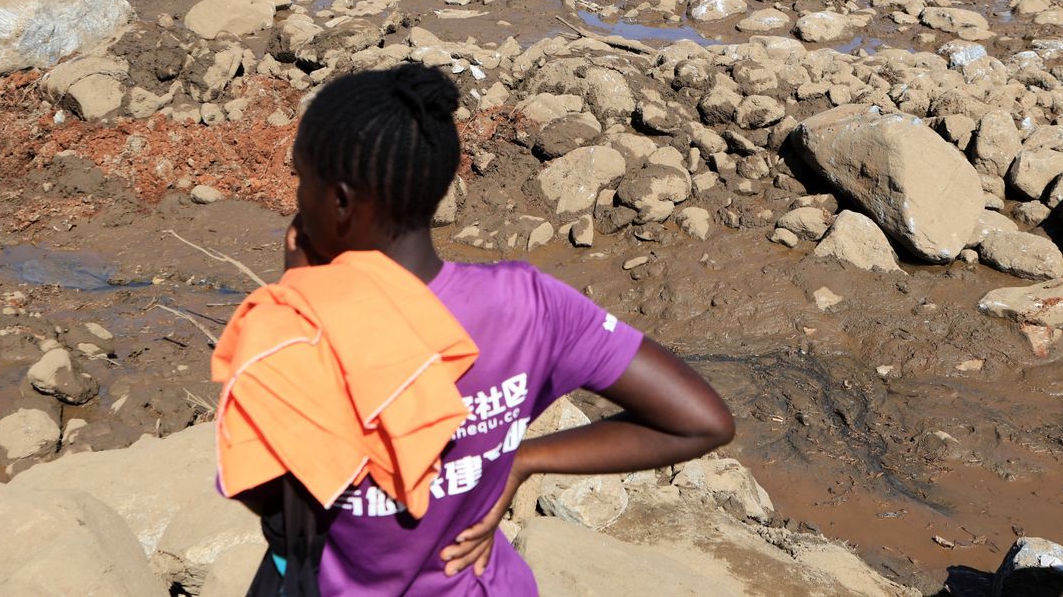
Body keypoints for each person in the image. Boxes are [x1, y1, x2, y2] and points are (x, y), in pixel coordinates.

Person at [218, 64, 736, 595]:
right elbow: (701, 422)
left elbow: (264, 494)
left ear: (341, 202)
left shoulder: (296, 330)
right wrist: (522, 459)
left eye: (302, 180)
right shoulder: (530, 303)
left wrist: (299, 297)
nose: (298, 199)